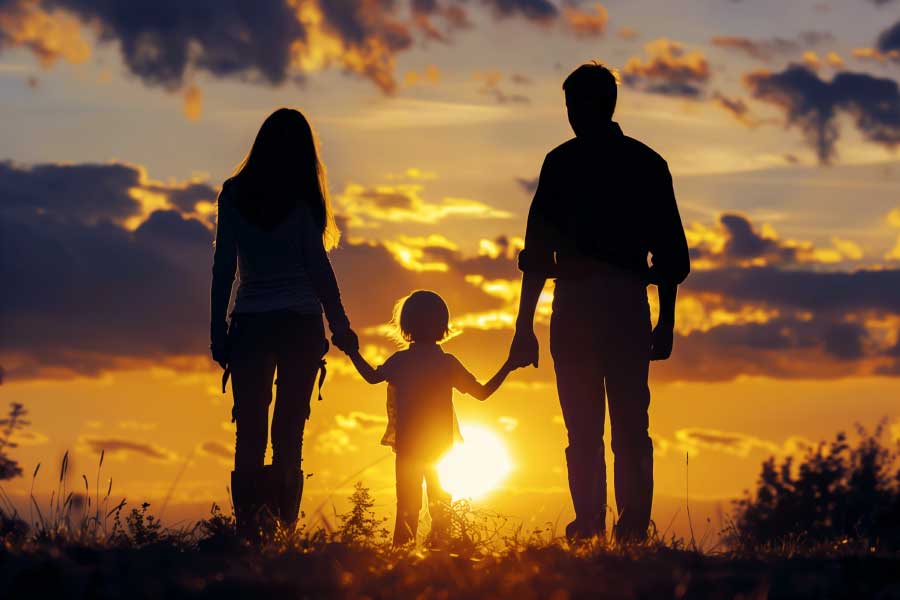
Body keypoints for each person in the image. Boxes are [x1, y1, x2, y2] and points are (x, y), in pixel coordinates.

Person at [508, 63, 691, 542]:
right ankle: (622, 527)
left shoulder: (562, 163)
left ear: (597, 105)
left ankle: (594, 524)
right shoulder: (646, 163)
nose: (571, 115)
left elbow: (536, 254)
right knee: (626, 423)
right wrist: (665, 322)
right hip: (622, 305)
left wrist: (524, 326)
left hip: (581, 306)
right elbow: (671, 257)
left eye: (575, 105)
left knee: (590, 427)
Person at [210, 108, 359, 531]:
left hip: (250, 324)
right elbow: (318, 268)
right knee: (289, 430)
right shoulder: (303, 197)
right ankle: (284, 531)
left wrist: (216, 330)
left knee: (250, 431)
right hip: (299, 324)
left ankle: (249, 531)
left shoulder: (233, 193)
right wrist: (340, 325)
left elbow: (224, 267)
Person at [347, 290, 515, 546]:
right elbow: (482, 393)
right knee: (440, 507)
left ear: (406, 326)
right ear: (442, 326)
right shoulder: (446, 363)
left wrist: (351, 351)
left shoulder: (401, 361)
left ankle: (401, 563)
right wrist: (509, 365)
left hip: (409, 447)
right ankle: (440, 558)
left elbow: (371, 377)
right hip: (440, 448)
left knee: (407, 508)